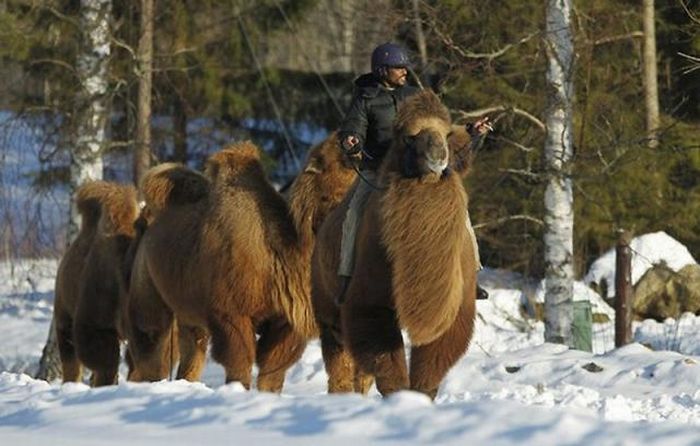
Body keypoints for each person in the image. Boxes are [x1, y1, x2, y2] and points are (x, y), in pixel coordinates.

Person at [336, 42, 491, 305]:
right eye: (399, 67)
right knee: (354, 213)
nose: (405, 71)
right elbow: (353, 127)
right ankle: (346, 277)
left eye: (405, 67)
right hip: (379, 171)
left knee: (459, 208)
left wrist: (470, 131)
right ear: (382, 70)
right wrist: (351, 140)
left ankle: (472, 274)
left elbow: (441, 129)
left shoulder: (416, 95)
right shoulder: (365, 99)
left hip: (418, 168)